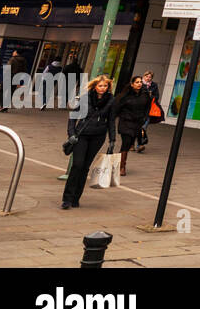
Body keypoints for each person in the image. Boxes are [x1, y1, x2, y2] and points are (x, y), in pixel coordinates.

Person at [61, 75, 116, 210]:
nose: (102, 88)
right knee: (77, 165)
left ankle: (75, 198)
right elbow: (73, 117)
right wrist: (71, 134)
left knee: (85, 167)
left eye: (105, 86)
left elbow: (111, 121)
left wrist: (112, 139)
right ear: (95, 86)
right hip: (82, 136)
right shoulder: (86, 98)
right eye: (100, 86)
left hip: (98, 137)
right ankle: (67, 199)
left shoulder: (111, 101)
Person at [109, 76, 152, 177]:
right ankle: (122, 167)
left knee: (128, 144)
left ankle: (118, 163)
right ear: (132, 84)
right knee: (126, 142)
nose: (139, 84)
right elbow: (116, 108)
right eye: (137, 82)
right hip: (125, 122)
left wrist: (144, 119)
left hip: (137, 123)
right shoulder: (124, 95)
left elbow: (147, 108)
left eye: (140, 82)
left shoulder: (145, 95)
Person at [136, 70, 162, 152]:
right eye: (146, 76)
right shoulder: (139, 83)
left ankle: (140, 145)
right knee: (135, 127)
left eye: (150, 77)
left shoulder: (154, 85)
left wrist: (151, 96)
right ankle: (131, 144)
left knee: (143, 127)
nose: (148, 78)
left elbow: (157, 96)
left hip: (148, 110)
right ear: (143, 76)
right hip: (137, 109)